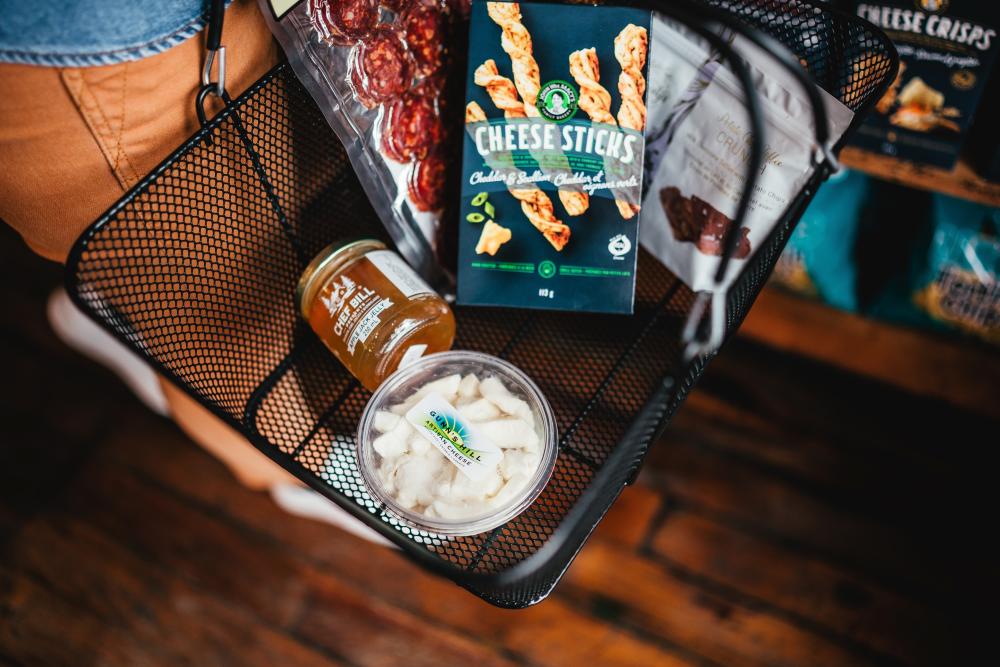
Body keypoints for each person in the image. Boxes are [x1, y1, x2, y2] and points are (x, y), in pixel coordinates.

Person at [0, 0, 380, 539]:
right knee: (231, 327)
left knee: (254, 214)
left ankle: (119, 311)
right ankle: (305, 474)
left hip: (204, 25)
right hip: (106, 51)